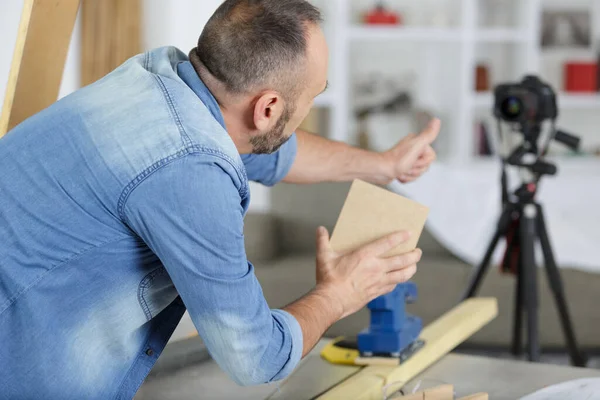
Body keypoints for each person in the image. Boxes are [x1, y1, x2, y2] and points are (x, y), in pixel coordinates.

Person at [0, 0, 439, 398]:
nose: (311, 105)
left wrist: (384, 165)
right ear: (267, 109)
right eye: (313, 95)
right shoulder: (191, 169)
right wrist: (341, 293)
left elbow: (273, 152)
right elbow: (255, 357)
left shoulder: (162, 80)